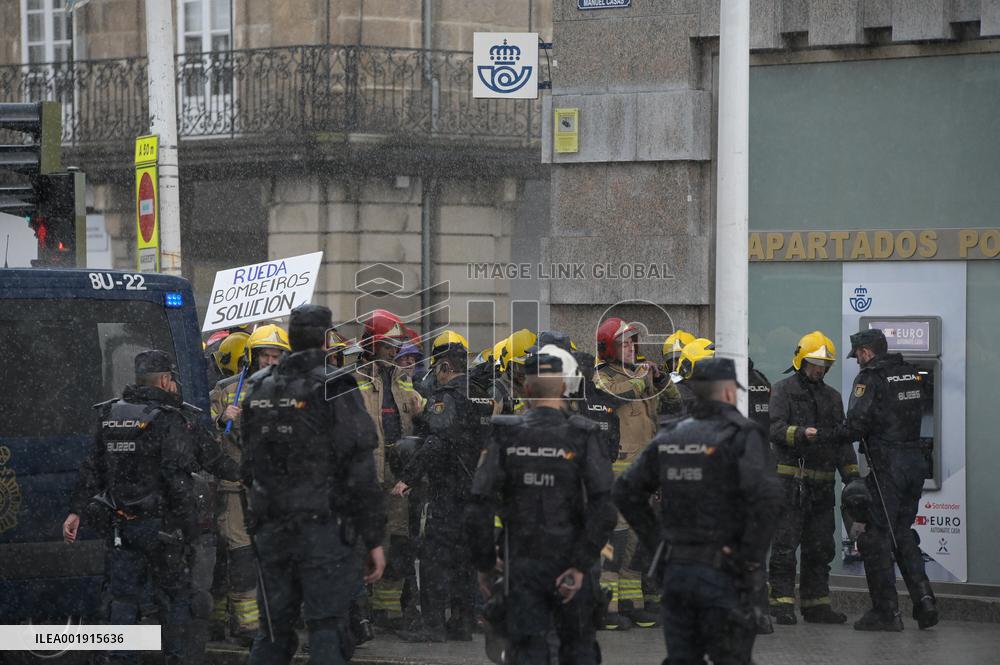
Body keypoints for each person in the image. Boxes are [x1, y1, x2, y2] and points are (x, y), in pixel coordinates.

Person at [241, 304, 386, 664]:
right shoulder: (334, 386)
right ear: (326, 339)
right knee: (327, 630)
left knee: (272, 632)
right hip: (322, 531)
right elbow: (360, 469)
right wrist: (372, 538)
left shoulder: (260, 387)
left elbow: (248, 467)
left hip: (272, 530)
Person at [613, 357, 782, 665]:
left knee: (683, 658)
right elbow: (767, 499)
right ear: (730, 392)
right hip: (725, 572)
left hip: (678, 571)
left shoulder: (672, 436)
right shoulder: (741, 434)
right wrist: (749, 559)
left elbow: (625, 490)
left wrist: (658, 544)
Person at [466, 345, 617, 664]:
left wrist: (484, 564)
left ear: (525, 387)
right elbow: (604, 506)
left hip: (521, 568)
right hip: (570, 568)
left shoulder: (506, 435)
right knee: (577, 650)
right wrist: (580, 564)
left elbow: (479, 503)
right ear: (564, 387)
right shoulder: (583, 435)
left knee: (528, 651)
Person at [62, 350, 206, 665]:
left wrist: (76, 511)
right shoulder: (170, 419)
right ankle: (175, 657)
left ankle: (121, 656)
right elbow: (176, 478)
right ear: (167, 381)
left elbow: (92, 470)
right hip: (162, 529)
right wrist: (192, 526)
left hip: (121, 527)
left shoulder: (110, 414)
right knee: (173, 598)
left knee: (122, 600)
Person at [392, 336, 493, 642]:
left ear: (446, 366)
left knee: (435, 557)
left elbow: (439, 440)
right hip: (476, 489)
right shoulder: (480, 395)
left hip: (448, 490)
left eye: (437, 368)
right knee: (464, 559)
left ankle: (432, 625)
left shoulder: (447, 396)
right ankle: (461, 622)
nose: (435, 374)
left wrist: (408, 477)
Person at [845, 328, 939, 631]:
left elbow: (855, 425)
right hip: (914, 464)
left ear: (866, 352)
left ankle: (886, 613)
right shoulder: (910, 374)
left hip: (888, 467)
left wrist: (821, 435)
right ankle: (925, 601)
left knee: (875, 538)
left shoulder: (870, 378)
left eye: (858, 355)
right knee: (902, 532)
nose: (858, 361)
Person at [767, 331, 859, 625]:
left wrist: (853, 479)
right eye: (815, 363)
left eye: (824, 364)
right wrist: (800, 434)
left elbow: (842, 440)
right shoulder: (782, 390)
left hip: (822, 487)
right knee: (784, 546)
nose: (819, 369)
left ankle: (816, 605)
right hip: (790, 484)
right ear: (801, 360)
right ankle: (781, 603)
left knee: (820, 548)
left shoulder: (832, 398)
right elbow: (775, 429)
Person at [208, 324, 290, 644]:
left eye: (276, 356)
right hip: (234, 486)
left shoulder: (291, 391)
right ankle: (244, 626)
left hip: (273, 488)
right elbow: (207, 440)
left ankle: (269, 618)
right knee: (239, 553)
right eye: (265, 355)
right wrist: (221, 417)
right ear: (253, 357)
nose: (270, 361)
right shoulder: (227, 390)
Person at [594, 317, 678, 629]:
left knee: (637, 542)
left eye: (633, 342)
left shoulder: (638, 376)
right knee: (615, 540)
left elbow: (674, 402)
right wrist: (641, 381)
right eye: (624, 343)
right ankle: (608, 607)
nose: (631, 348)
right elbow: (615, 396)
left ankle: (632, 603)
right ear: (610, 348)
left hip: (644, 474)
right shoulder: (603, 377)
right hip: (618, 474)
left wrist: (660, 379)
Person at [353, 310, 425, 626]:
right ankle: (358, 608)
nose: (394, 353)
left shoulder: (403, 381)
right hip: (365, 477)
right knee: (362, 541)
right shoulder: (353, 382)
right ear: (370, 345)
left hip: (396, 476)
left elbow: (420, 411)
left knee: (396, 540)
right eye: (387, 347)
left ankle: (388, 608)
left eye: (396, 347)